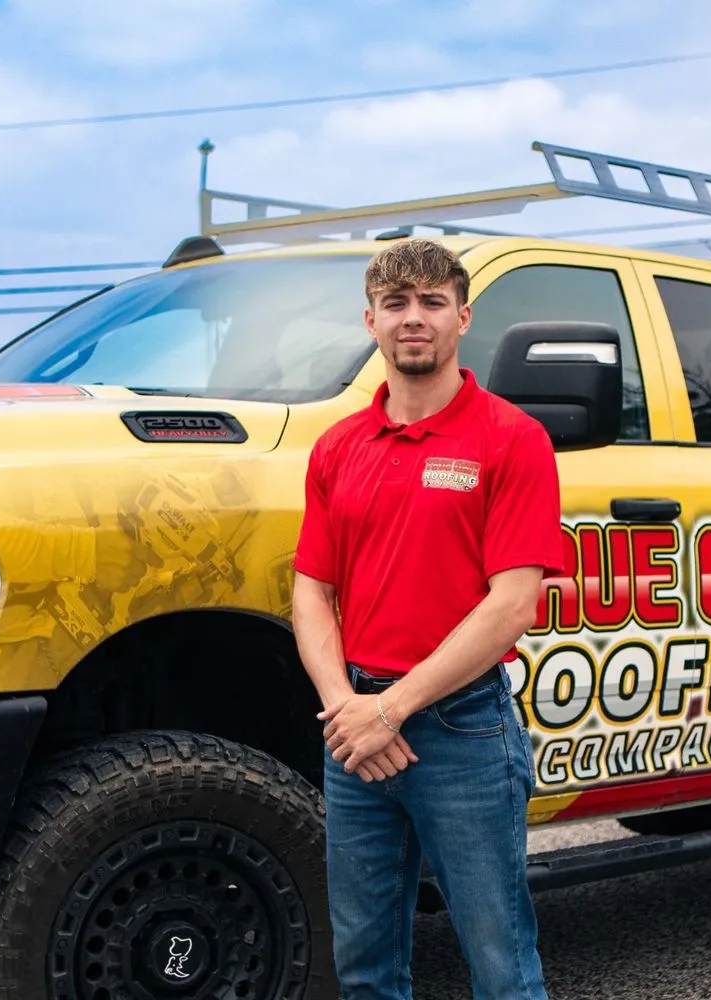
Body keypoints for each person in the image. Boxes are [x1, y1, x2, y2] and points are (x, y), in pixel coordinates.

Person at [291, 237, 563, 1000]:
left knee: (500, 964)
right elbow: (311, 590)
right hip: (356, 729)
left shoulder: (512, 439)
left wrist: (392, 710)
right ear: (371, 321)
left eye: (432, 302)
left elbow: (512, 604)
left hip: (461, 729)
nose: (414, 318)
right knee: (365, 967)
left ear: (462, 318)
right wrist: (349, 708)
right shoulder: (338, 447)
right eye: (396, 303)